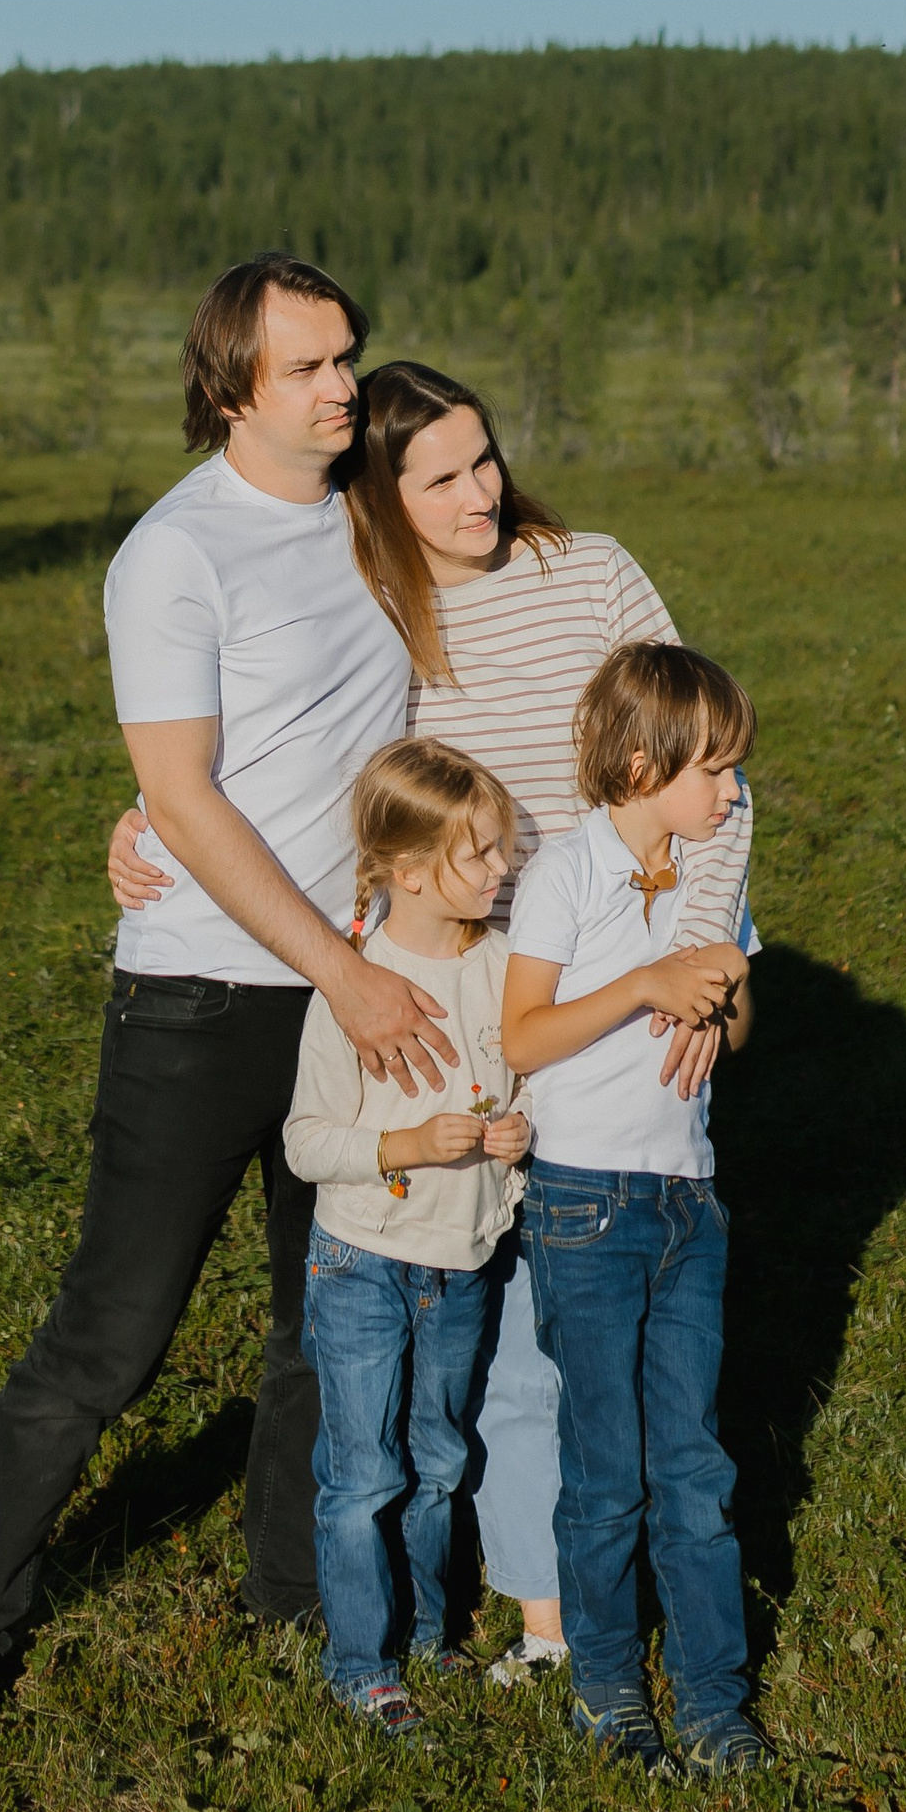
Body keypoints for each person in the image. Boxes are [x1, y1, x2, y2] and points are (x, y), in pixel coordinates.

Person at [120, 355, 754, 1683]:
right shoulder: (373, 609)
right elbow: (285, 760)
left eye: (487, 459)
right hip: (476, 991)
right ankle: (535, 1608)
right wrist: (149, 816)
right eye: (443, 478)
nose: (483, 495)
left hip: (627, 981)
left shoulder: (594, 574)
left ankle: (601, 1582)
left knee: (600, 1308)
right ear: (380, 500)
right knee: (495, 1314)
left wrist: (704, 959)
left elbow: (712, 777)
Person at [0, 255, 455, 1728]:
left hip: (356, 988)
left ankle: (294, 1592)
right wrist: (339, 968)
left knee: (325, 1324)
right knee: (113, 1338)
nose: (343, 388)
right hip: (205, 1003)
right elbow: (188, 797)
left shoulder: (372, 514)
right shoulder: (175, 554)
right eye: (308, 368)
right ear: (228, 388)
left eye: (348, 357)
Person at [502, 640, 763, 1776]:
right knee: (604, 1470)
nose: (733, 792)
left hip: (686, 1202)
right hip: (582, 1206)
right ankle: (608, 1687)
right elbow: (523, 1037)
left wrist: (722, 994)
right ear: (643, 765)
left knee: (694, 1469)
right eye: (715, 769)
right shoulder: (566, 873)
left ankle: (713, 1698)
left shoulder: (713, 885)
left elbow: (738, 1030)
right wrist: (645, 986)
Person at [282, 738, 533, 1733]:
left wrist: (518, 1133)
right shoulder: (355, 985)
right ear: (413, 872)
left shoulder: (506, 970)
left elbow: (526, 1083)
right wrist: (407, 1145)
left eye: (502, 848)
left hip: (464, 1262)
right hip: (363, 1261)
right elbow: (306, 1142)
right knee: (363, 1475)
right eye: (482, 853)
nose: (503, 867)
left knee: (438, 1460)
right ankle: (361, 1663)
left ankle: (428, 1635)